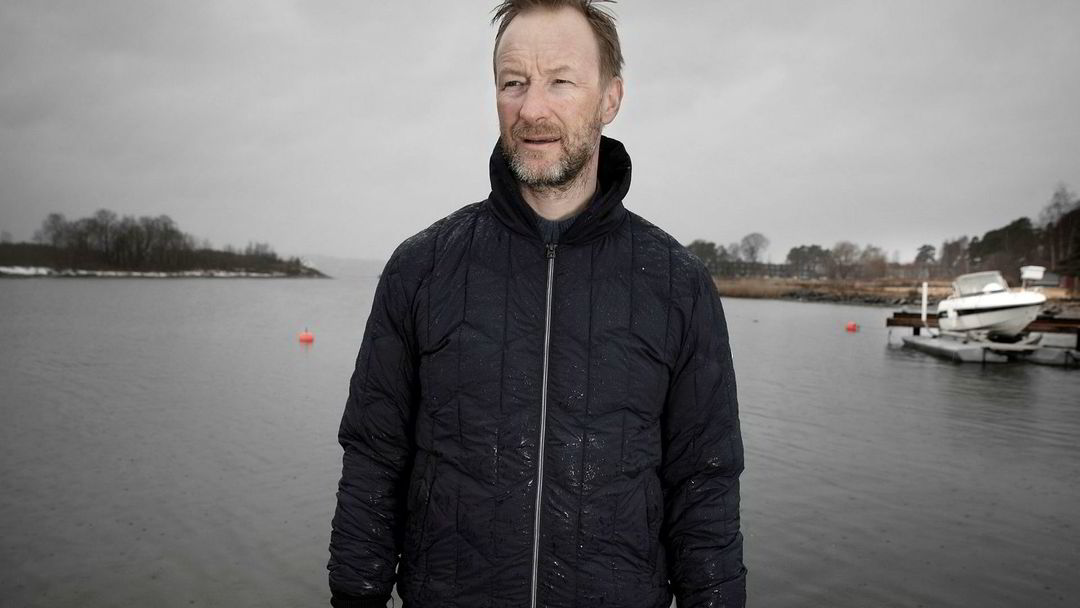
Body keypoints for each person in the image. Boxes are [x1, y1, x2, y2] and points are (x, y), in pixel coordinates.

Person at [327, 1, 746, 606]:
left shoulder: (678, 284)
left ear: (610, 98)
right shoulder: (422, 268)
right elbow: (373, 460)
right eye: (513, 82)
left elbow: (705, 485)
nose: (531, 109)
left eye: (561, 81)